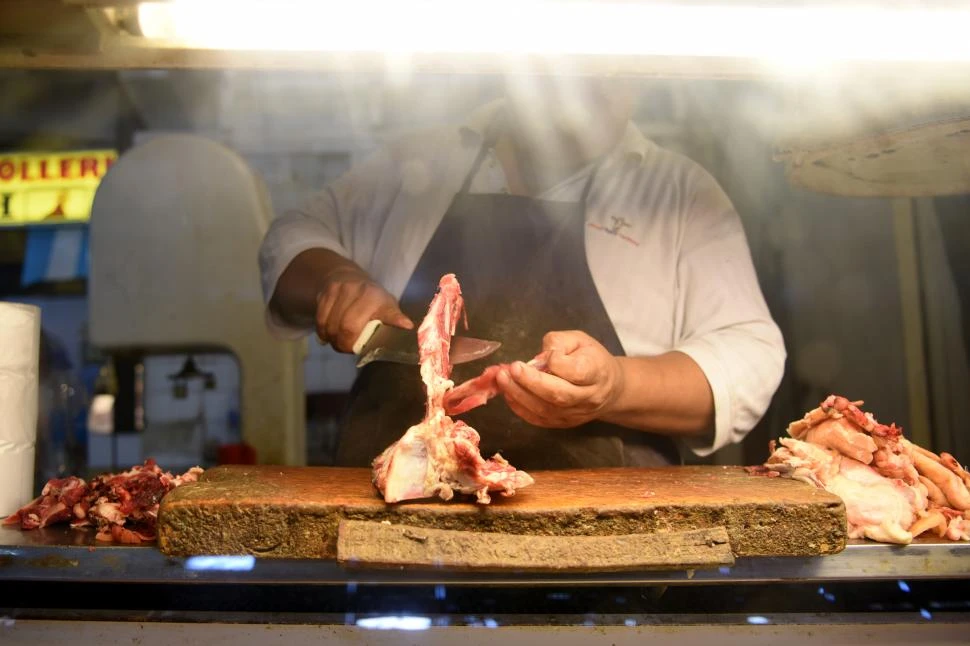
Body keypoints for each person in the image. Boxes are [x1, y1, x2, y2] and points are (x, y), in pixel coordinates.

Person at [258, 75, 786, 469]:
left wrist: (616, 387)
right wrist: (334, 281)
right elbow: (291, 238)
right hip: (393, 548)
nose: (589, 76)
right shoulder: (420, 162)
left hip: (610, 557)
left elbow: (748, 359)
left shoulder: (676, 193)